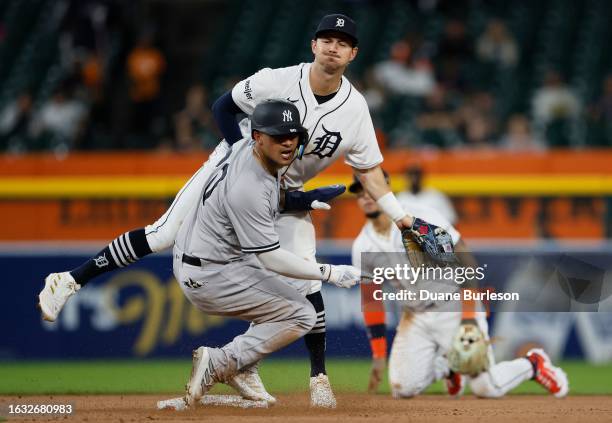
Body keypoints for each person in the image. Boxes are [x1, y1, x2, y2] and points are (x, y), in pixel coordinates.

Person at [38, 13, 450, 408]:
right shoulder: (278, 79)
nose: (333, 48)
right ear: (314, 45)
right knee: (164, 234)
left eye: (343, 44)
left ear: (352, 55)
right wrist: (242, 161)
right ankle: (68, 280)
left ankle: (309, 377)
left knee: (304, 277)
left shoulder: (355, 110)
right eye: (327, 40)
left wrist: (402, 218)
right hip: (235, 164)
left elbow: (371, 172)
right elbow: (223, 107)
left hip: (287, 188)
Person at [174, 99, 360, 407]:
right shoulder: (248, 184)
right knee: (302, 313)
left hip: (207, 255)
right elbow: (270, 256)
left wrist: (303, 199)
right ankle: (223, 362)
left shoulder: (248, 152)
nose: (287, 142)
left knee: (291, 293)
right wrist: (330, 272)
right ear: (257, 137)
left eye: (293, 134)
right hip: (211, 273)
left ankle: (240, 365)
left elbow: (266, 198)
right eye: (278, 136)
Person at [349, 174, 569, 399]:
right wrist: (378, 355)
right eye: (359, 191)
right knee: (402, 388)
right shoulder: (362, 246)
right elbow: (371, 301)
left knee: (486, 387)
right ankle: (447, 365)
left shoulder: (419, 214)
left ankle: (533, 363)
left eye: (371, 187)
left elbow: (463, 257)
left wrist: (469, 316)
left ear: (387, 187)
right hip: (415, 317)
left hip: (453, 305)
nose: (366, 196)